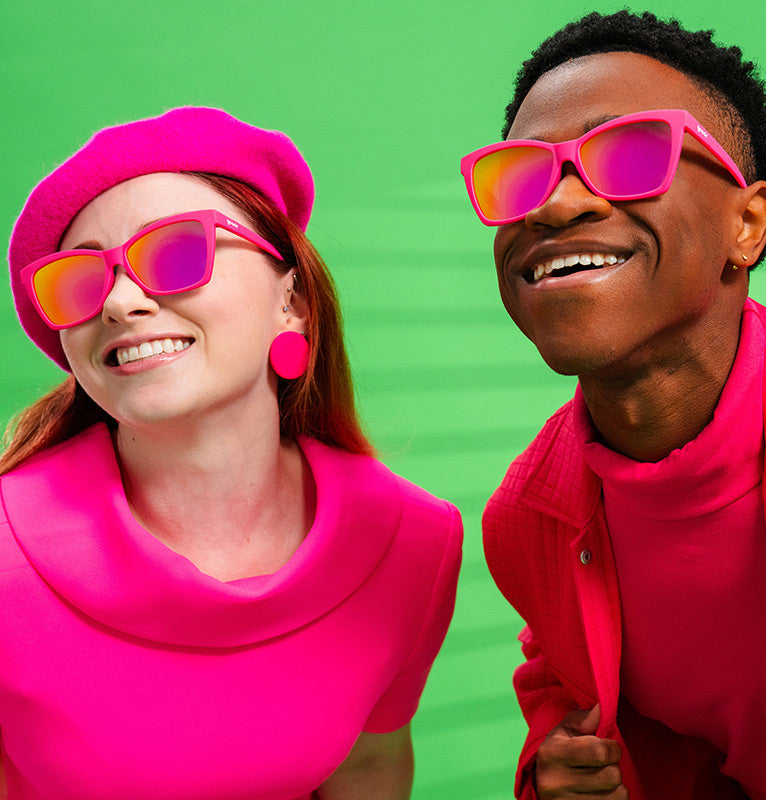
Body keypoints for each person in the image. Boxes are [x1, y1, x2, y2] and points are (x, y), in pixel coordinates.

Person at [0, 106, 462, 799]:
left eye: (174, 251)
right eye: (80, 280)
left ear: (292, 301)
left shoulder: (413, 543)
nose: (120, 302)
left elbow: (369, 766)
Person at [460, 10, 766, 800]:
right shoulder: (527, 522)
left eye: (630, 155)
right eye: (522, 175)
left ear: (747, 224)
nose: (555, 207)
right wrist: (556, 763)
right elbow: (564, 678)